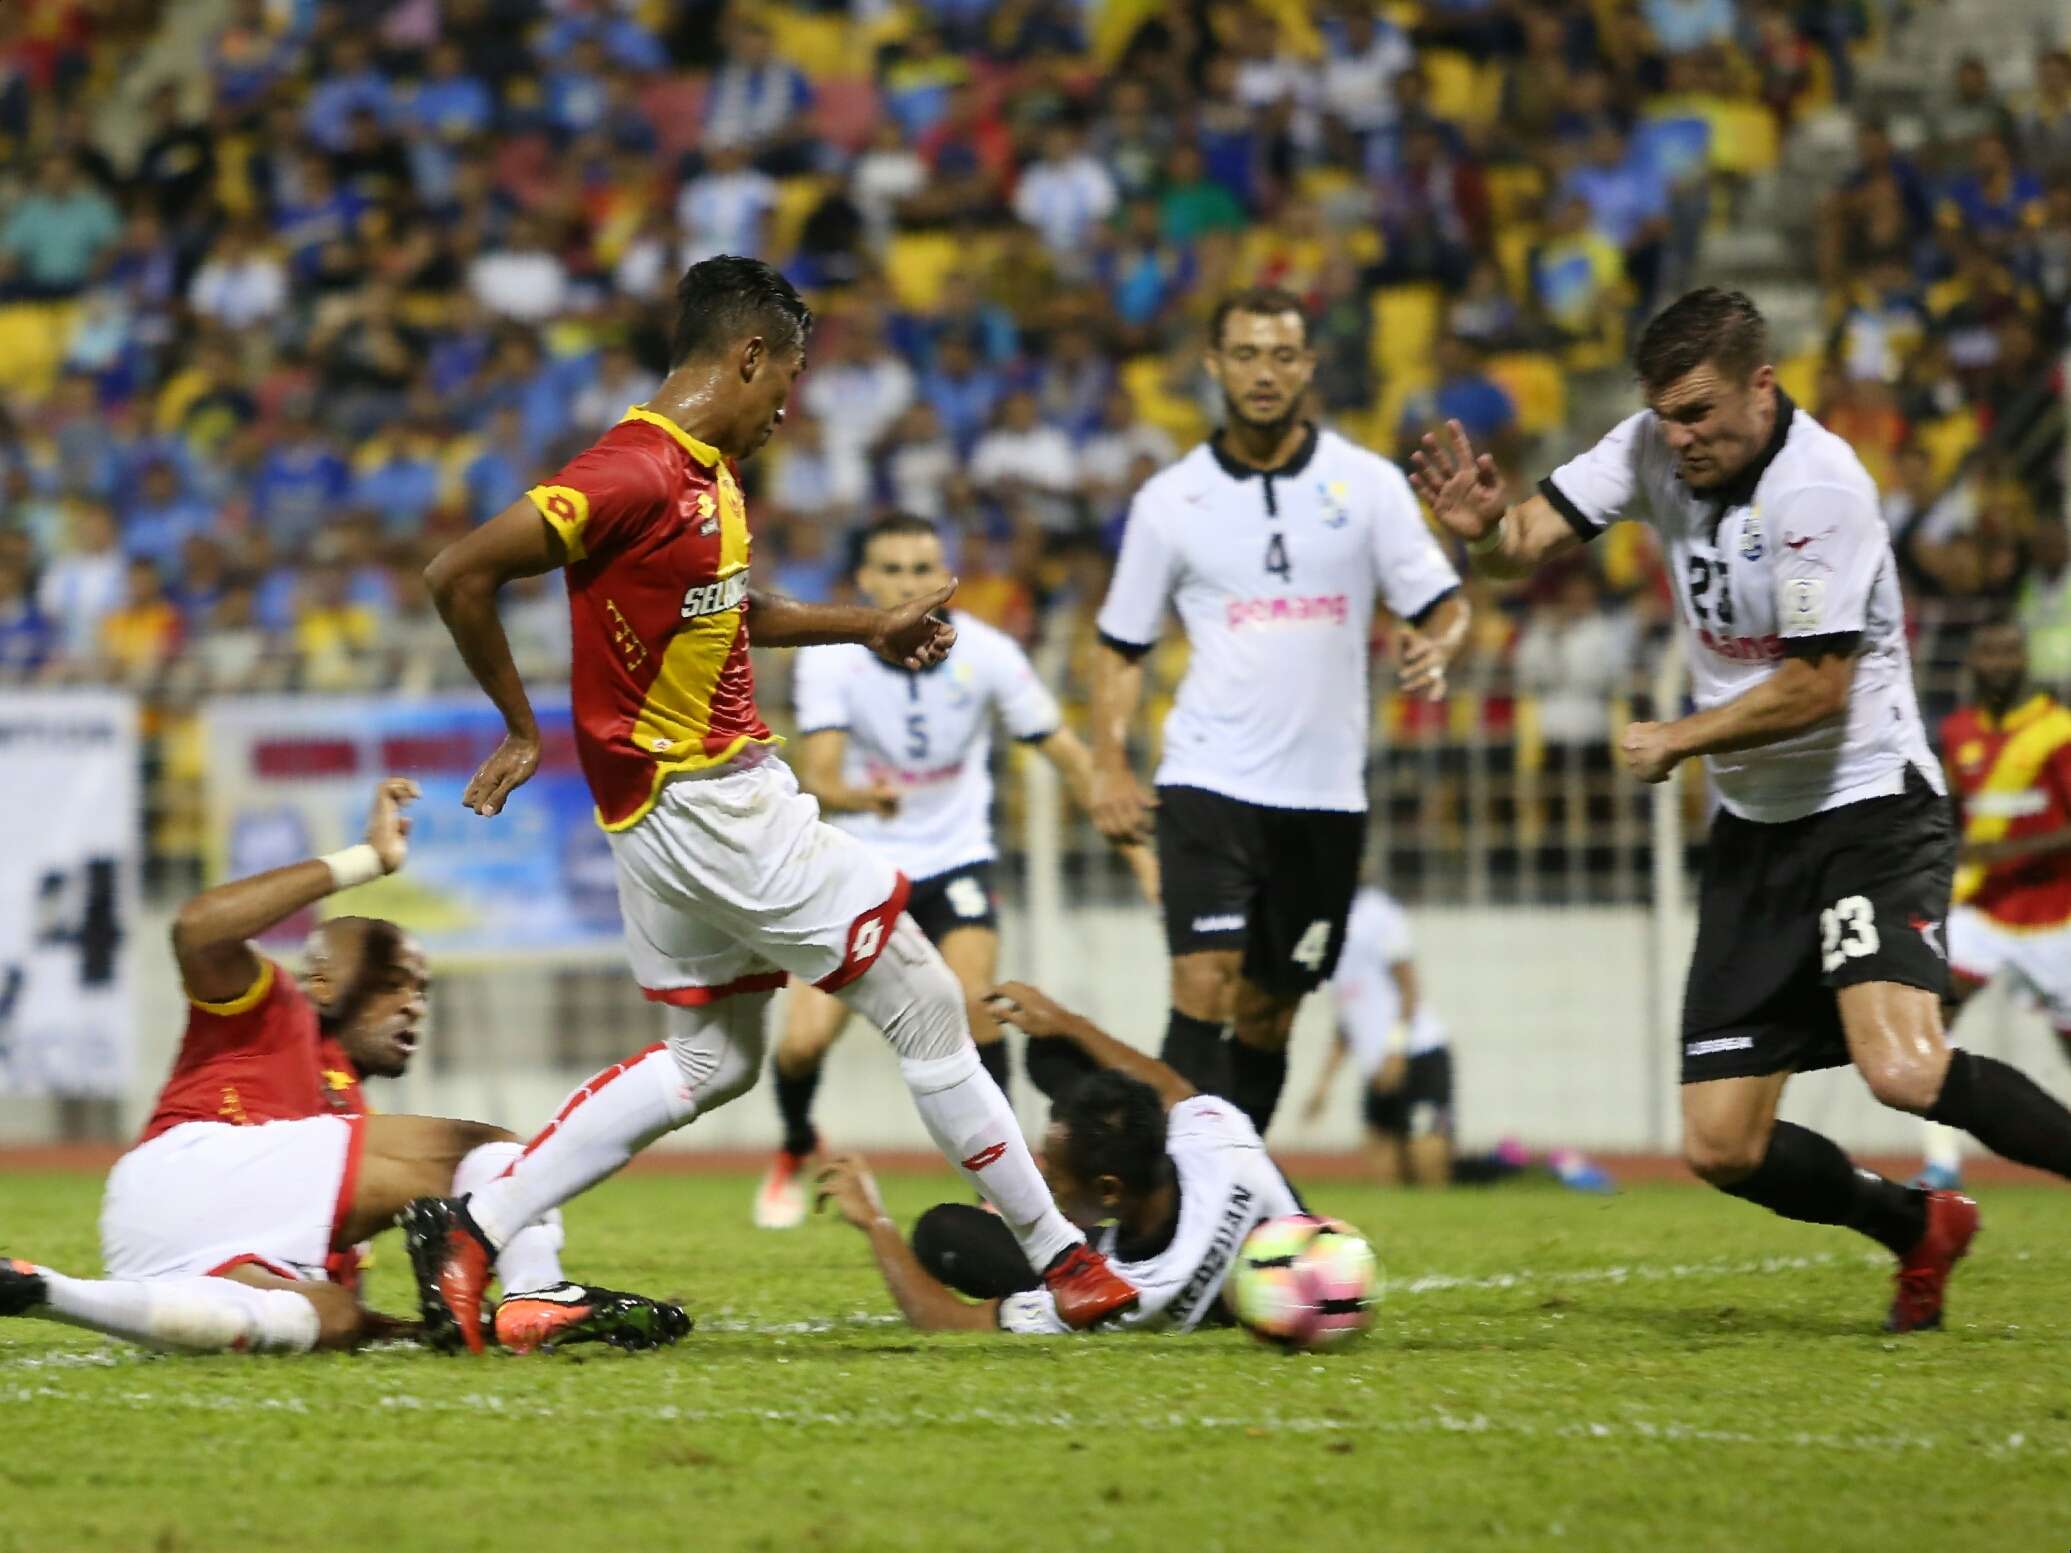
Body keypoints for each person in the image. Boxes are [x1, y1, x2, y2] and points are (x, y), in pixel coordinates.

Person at [412, 256, 1139, 1353]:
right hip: (711, 802)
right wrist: (522, 726)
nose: (788, 408)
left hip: (665, 812)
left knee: (711, 1059)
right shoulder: (630, 471)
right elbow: (458, 572)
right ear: (748, 356)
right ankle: (1064, 1257)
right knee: (924, 998)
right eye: (787, 379)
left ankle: (474, 1225)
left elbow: (728, 611)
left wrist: (867, 625)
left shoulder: (705, 474)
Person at [1410, 286, 2071, 1332]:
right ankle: (1915, 1225)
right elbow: (1523, 539)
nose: (1679, 437)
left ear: (1761, 386)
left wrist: (1679, 737)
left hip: (1865, 805)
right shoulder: (1648, 446)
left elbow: (1817, 686)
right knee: (1720, 1143)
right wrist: (1485, 530)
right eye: (1664, 415)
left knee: (1900, 1067)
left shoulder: (1820, 490)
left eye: (1698, 413)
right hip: (1757, 831)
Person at [1, 780, 686, 1357]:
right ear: (323, 979)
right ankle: (536, 1288)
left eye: (421, 991)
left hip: (157, 1249)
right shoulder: (270, 1010)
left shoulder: (350, 1132)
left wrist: (415, 1332)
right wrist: (366, 860)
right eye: (392, 982)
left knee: (325, 1316)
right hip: (189, 1166)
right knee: (486, 1153)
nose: (413, 1004)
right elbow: (198, 930)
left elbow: (340, 1303)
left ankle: (45, 1290)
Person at [1088, 285, 1470, 1136]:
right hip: (1206, 780)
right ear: (1213, 364)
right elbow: (1120, 645)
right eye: (1247, 354)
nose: (1264, 373)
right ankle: (1174, 1192)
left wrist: (1439, 645)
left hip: (1323, 797)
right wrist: (1109, 760)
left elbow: (1443, 603)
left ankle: (1231, 1179)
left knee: (1268, 1013)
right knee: (1203, 983)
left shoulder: (1367, 486)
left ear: (1309, 366)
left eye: (1282, 355)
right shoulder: (1170, 500)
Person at [754, 513, 1158, 1227]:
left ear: (944, 578)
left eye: (922, 569)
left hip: (955, 862)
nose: (909, 582)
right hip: (860, 867)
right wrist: (862, 797)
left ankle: (996, 1188)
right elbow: (820, 774)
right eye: (893, 569)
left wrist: (1142, 860)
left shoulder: (990, 654)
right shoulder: (831, 658)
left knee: (974, 1003)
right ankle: (793, 1144)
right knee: (801, 1043)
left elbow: (1069, 757)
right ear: (865, 580)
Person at [813, 981, 1301, 1334]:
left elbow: (951, 1321)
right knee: (1052, 1055)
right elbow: (1170, 1089)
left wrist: (876, 1223)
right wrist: (1065, 1022)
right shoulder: (1220, 1136)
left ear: (1108, 1189)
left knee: (942, 1234)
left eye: (1057, 1172)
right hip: (1231, 1231)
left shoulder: (1119, 1295)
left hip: (1133, 1261)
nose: (1044, 1177)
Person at [1300, 885, 1612, 1191]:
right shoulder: (1325, 932)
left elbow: (1409, 987)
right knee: (1388, 1179)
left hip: (1418, 1055)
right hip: (1378, 1072)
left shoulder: (1375, 912)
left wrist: (1396, 1049)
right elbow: (1347, 1021)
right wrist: (1323, 1085)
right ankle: (1503, 1164)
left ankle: (1535, 1170)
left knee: (1431, 1171)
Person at [1918, 621, 2071, 1189]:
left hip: (2054, 916)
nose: (1999, 662)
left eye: (2009, 651)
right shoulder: (1959, 731)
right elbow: (1954, 811)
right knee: (1929, 1020)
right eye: (1988, 651)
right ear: (1973, 662)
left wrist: (2007, 849)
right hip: (1981, 909)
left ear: (2025, 659)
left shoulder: (2057, 731)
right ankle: (1942, 1165)